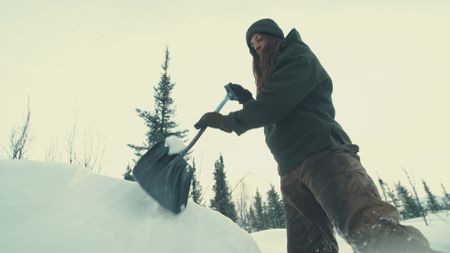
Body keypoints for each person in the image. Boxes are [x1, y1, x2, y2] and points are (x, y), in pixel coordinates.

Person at [194, 18, 441, 253]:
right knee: (308, 246)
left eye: (259, 39)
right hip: (290, 170)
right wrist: (248, 100)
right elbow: (274, 111)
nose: (256, 46)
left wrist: (227, 121)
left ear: (274, 37)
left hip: (323, 155)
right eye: (252, 45)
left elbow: (275, 104)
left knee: (369, 228)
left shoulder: (297, 56)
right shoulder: (278, 75)